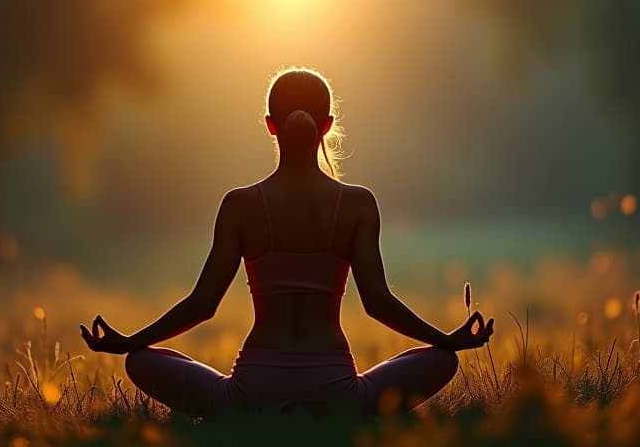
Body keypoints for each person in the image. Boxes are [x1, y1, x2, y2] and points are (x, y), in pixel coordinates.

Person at [80, 67, 493, 418]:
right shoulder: (357, 204)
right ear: (328, 125)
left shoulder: (240, 204)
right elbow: (377, 302)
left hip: (250, 394)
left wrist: (130, 342)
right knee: (442, 361)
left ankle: (242, 416)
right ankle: (336, 415)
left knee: (141, 362)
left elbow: (202, 304)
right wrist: (448, 340)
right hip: (338, 393)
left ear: (269, 125)